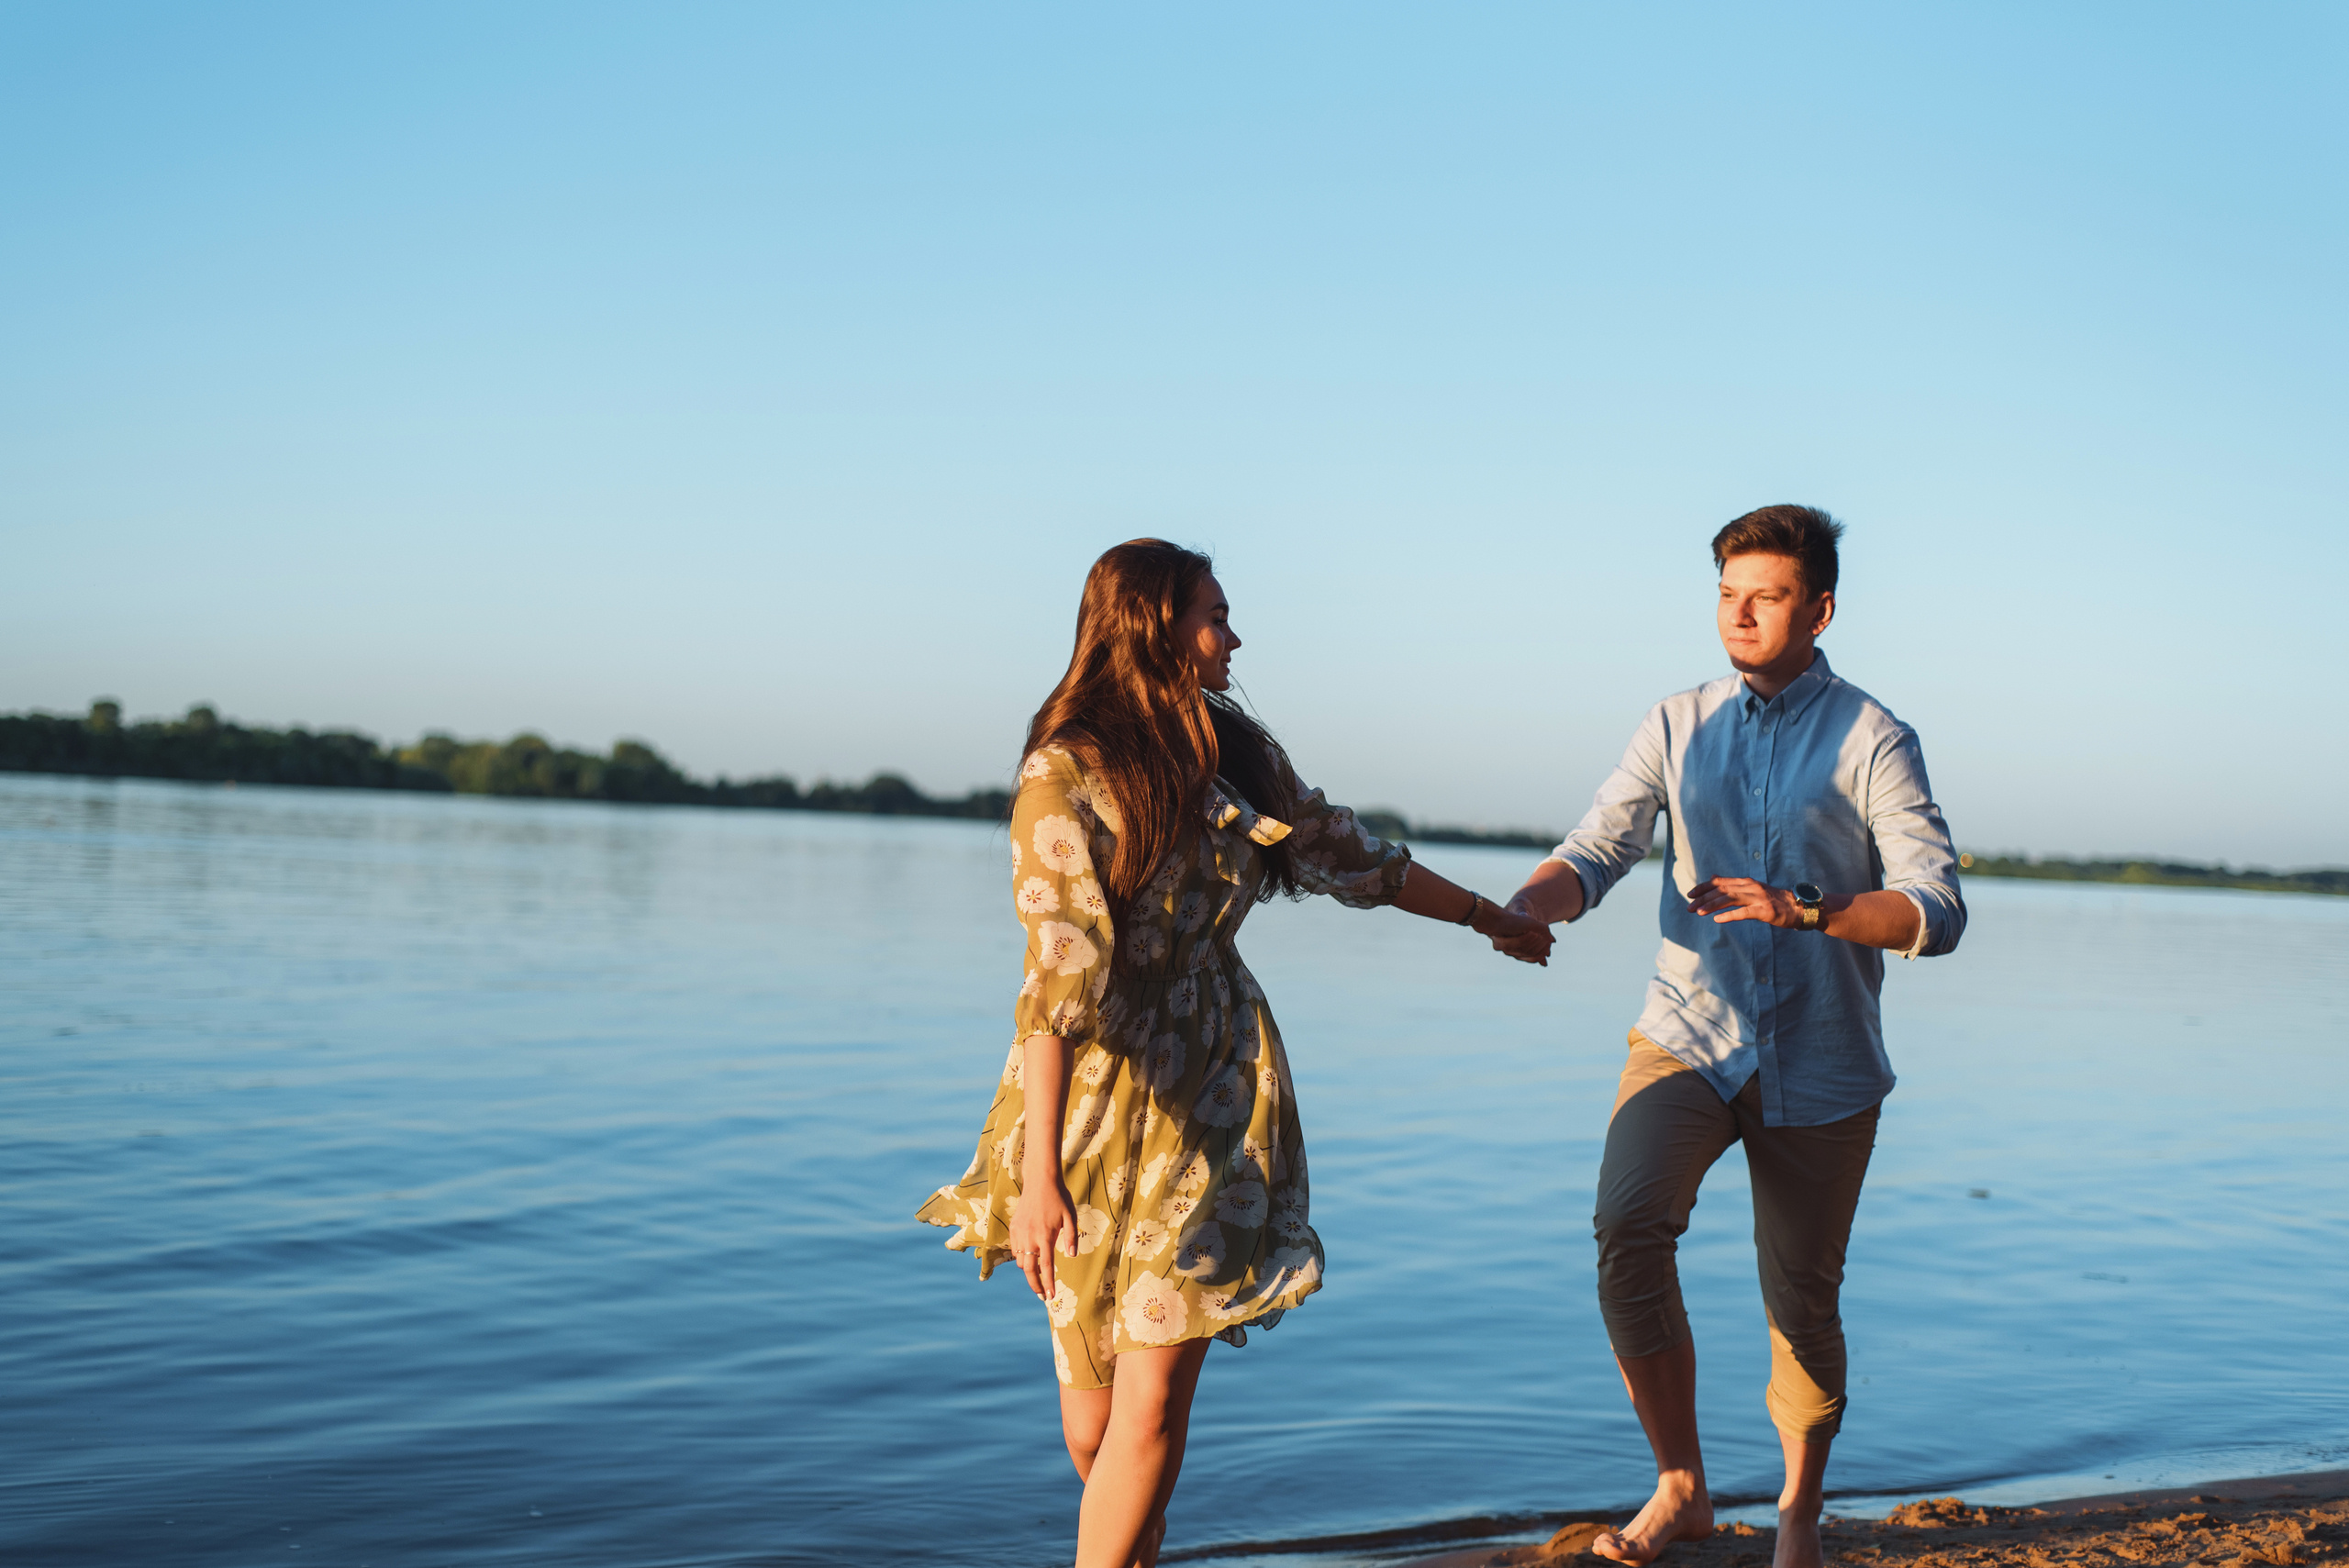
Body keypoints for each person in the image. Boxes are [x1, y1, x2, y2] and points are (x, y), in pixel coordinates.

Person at [918, 539, 1553, 1568]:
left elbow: (1352, 854)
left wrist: (1487, 916)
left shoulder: (1237, 755)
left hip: (1215, 1084)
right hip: (1083, 1098)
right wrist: (1036, 1175)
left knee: (1153, 1400)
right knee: (1098, 1430)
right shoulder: (1064, 771)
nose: (1235, 634)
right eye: (1216, 613)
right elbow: (1058, 975)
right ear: (1154, 623)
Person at [1493, 506, 1965, 1568]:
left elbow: (1934, 907)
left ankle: (1799, 1508)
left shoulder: (1874, 735)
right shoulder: (1675, 720)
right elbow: (1597, 846)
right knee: (1626, 1225)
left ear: (1820, 608)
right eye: (1725, 593)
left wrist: (1807, 909)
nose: (1739, 613)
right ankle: (1683, 1485)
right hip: (1685, 1030)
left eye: (1766, 594)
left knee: (1800, 1294)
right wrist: (1530, 905)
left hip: (1825, 1054)